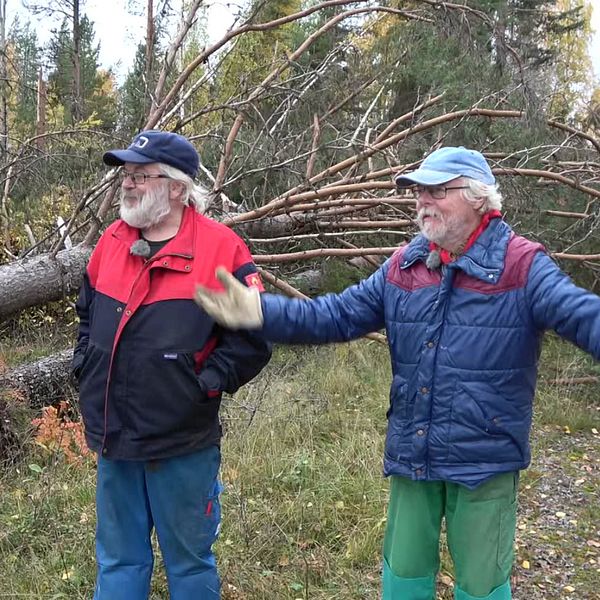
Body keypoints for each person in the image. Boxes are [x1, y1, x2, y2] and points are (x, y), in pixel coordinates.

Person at [194, 146, 600, 600]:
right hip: (414, 453)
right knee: (403, 581)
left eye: (436, 191)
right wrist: (257, 309)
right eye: (418, 193)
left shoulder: (522, 266)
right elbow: (333, 316)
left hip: (484, 461)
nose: (422, 202)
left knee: (483, 587)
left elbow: (583, 316)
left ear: (478, 198)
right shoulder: (404, 266)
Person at [72, 130, 272, 600]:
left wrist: (202, 384)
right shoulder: (112, 241)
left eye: (142, 175)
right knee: (120, 559)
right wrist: (85, 361)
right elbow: (86, 313)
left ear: (177, 188)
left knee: (189, 563)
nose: (129, 184)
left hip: (181, 441)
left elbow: (254, 337)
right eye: (127, 175)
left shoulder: (222, 249)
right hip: (114, 435)